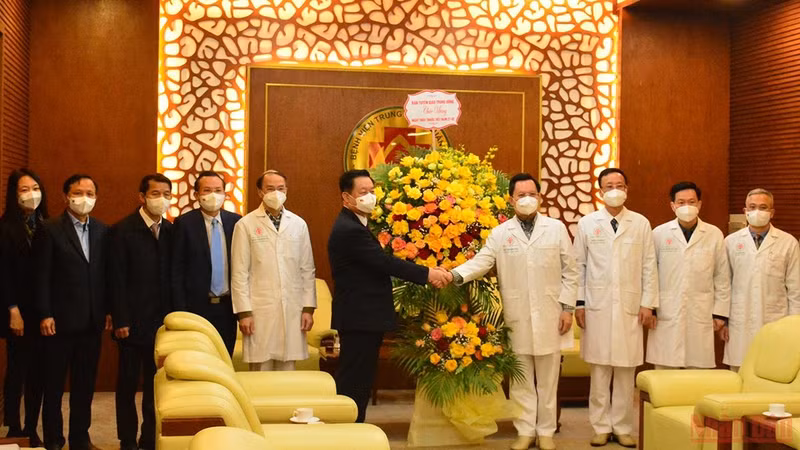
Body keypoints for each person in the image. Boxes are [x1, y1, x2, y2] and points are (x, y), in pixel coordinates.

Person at [449, 173, 578, 450]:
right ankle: (525, 431)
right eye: (521, 195)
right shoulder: (500, 233)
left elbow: (571, 271)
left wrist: (567, 308)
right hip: (517, 314)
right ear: (511, 199)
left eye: (532, 193)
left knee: (547, 379)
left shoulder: (556, 229)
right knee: (520, 380)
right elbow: (482, 262)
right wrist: (454, 275)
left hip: (551, 314)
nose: (527, 199)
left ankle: (545, 432)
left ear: (541, 197)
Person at [328, 169, 450, 423]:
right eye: (363, 192)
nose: (370, 197)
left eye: (372, 192)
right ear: (346, 197)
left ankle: (354, 428)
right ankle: (347, 431)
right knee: (354, 380)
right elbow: (384, 263)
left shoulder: (356, 224)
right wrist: (428, 273)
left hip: (363, 317)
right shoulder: (349, 229)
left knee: (359, 378)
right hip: (359, 317)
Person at [573, 168, 658, 448]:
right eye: (609, 185)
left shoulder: (641, 223)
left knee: (625, 371)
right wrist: (580, 303)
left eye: (619, 184)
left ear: (627, 189)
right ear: (599, 191)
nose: (615, 189)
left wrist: (648, 304)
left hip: (630, 307)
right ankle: (600, 426)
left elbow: (649, 266)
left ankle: (622, 427)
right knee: (599, 371)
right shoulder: (587, 224)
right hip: (596, 305)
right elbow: (579, 267)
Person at [34, 174, 111, 450]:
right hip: (59, 323)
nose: (84, 198)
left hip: (92, 322)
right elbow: (41, 276)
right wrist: (44, 313)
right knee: (53, 387)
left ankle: (80, 439)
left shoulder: (103, 230)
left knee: (84, 388)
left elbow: (105, 275)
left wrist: (108, 310)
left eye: (90, 192)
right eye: (78, 192)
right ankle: (54, 440)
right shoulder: (50, 228)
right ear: (66, 196)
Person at [109, 174, 174, 450]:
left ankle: (148, 438)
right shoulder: (122, 230)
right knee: (126, 386)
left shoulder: (172, 231)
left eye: (166, 194)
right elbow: (116, 279)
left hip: (161, 325)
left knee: (155, 387)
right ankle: (126, 440)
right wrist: (120, 318)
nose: (161, 199)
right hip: (131, 323)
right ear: (142, 196)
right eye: (155, 193)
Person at [231, 170, 315, 371]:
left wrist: (308, 308)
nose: (276, 193)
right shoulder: (245, 224)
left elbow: (307, 269)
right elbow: (239, 273)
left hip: (292, 309)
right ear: (260, 192)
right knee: (261, 369)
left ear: (286, 190)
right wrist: (244, 313)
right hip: (260, 309)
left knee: (288, 370)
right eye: (270, 188)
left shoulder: (298, 224)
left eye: (280, 188)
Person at [646, 182, 730, 369]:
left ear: (699, 204)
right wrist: (650, 307)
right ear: (672, 205)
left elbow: (722, 277)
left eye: (691, 202)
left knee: (697, 373)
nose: (686, 206)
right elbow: (649, 273)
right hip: (666, 311)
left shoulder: (714, 234)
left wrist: (720, 313)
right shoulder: (659, 234)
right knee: (664, 373)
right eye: (681, 202)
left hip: (700, 311)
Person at [722, 188, 800, 372]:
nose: (757, 211)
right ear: (745, 211)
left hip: (775, 318)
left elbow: (796, 288)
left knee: (772, 372)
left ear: (772, 212)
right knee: (739, 373)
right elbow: (724, 284)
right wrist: (723, 319)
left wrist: (794, 324)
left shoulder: (788, 242)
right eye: (753, 207)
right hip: (739, 319)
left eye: (763, 207)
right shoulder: (731, 242)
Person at [0, 169, 48, 447]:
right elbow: (3, 273)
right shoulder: (5, 227)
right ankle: (14, 425)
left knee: (39, 372)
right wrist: (12, 309)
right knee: (18, 369)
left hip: (43, 311)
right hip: (17, 311)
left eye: (35, 187)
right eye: (24, 189)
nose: (31, 194)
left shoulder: (47, 224)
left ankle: (31, 425)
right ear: (13, 194)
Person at [172, 170, 241, 354]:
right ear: (196, 195)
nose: (213, 195)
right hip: (196, 307)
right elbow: (176, 270)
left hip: (228, 308)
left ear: (225, 194)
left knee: (225, 359)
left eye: (218, 190)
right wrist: (181, 310)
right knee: (198, 359)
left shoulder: (236, 222)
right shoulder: (184, 223)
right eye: (207, 190)